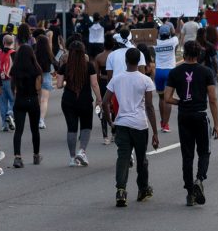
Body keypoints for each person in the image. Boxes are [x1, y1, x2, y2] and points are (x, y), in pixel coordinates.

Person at [163, 41, 218, 207]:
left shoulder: (175, 72)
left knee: (187, 155)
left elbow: (167, 98)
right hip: (201, 116)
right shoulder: (206, 72)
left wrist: (181, 103)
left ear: (183, 54)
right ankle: (199, 179)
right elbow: (213, 99)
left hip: (184, 116)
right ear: (198, 55)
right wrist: (217, 124)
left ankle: (190, 192)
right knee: (204, 151)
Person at [103, 48, 158, 207]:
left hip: (121, 124)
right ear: (140, 61)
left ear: (126, 60)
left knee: (123, 158)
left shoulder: (116, 79)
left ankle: (121, 190)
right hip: (140, 125)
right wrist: (155, 132)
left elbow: (105, 102)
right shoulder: (146, 80)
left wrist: (110, 122)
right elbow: (149, 107)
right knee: (142, 159)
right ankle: (143, 189)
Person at [55, 41, 101, 167]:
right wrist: (99, 99)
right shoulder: (89, 66)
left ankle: (72, 157)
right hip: (85, 100)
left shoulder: (64, 67)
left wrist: (66, 82)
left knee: (71, 128)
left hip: (68, 100)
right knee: (86, 126)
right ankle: (82, 151)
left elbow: (59, 85)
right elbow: (95, 84)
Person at [9, 44, 43, 168]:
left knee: (19, 130)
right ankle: (36, 155)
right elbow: (38, 88)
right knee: (35, 130)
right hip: (32, 99)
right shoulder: (36, 69)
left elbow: (14, 87)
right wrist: (37, 100)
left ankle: (17, 157)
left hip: (20, 100)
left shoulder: (15, 69)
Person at [153, 24, 178, 132]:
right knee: (168, 99)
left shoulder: (155, 43)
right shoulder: (173, 41)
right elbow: (177, 33)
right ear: (169, 33)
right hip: (170, 71)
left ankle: (162, 121)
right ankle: (165, 125)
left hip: (158, 71)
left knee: (161, 98)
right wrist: (177, 21)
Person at [0, 34, 16, 132]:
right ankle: (10, 114)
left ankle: (4, 125)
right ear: (12, 42)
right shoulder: (14, 53)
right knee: (13, 100)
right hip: (10, 80)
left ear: (3, 42)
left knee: (2, 103)